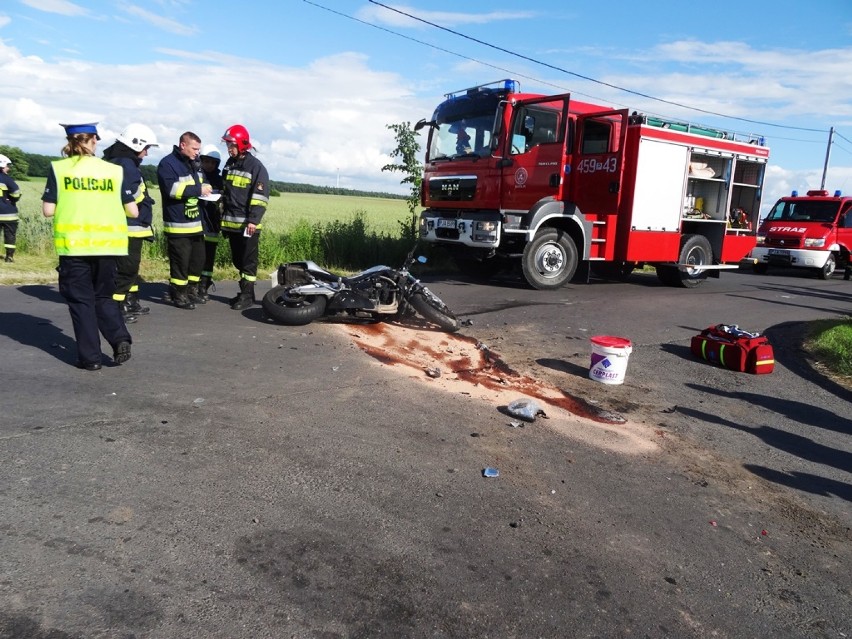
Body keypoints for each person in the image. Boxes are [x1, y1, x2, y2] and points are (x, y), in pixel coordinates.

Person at [41, 122, 138, 371]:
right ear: (95, 140)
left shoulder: (59, 169)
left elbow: (48, 210)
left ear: (69, 141)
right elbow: (133, 210)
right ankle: (119, 339)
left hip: (75, 247)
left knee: (81, 301)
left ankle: (91, 358)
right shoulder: (113, 171)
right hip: (108, 247)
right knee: (104, 296)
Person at [103, 123, 159, 321]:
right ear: (136, 145)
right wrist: (144, 198)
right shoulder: (126, 164)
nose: (146, 153)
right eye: (146, 148)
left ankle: (130, 301)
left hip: (129, 225)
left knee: (130, 268)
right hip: (130, 225)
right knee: (126, 269)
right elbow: (131, 194)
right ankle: (117, 308)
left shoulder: (117, 161)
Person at [156, 131, 212, 309]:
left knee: (197, 260)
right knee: (180, 262)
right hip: (178, 224)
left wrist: (206, 188)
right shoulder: (167, 164)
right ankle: (178, 294)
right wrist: (198, 189)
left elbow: (198, 185)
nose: (197, 152)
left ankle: (191, 290)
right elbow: (171, 189)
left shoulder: (193, 164)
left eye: (199, 149)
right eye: (194, 148)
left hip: (196, 224)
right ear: (183, 145)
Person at [220, 124, 269, 310]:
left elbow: (260, 197)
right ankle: (245, 292)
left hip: (248, 226)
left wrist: (253, 220)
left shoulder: (256, 167)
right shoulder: (229, 164)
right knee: (238, 260)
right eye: (227, 145)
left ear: (242, 144)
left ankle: (248, 295)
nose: (229, 149)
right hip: (231, 224)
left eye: (231, 145)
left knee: (248, 262)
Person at [198, 144, 224, 301]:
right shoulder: (196, 176)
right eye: (206, 161)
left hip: (213, 223)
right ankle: (192, 285)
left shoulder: (219, 180)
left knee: (209, 258)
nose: (209, 165)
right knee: (195, 257)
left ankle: (204, 285)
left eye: (213, 163)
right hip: (198, 221)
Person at [0, 154, 22, 263]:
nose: (9, 168)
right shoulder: (7, 179)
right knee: (10, 236)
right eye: (7, 166)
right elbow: (17, 193)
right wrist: (11, 200)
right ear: (2, 165)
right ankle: (9, 257)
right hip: (9, 214)